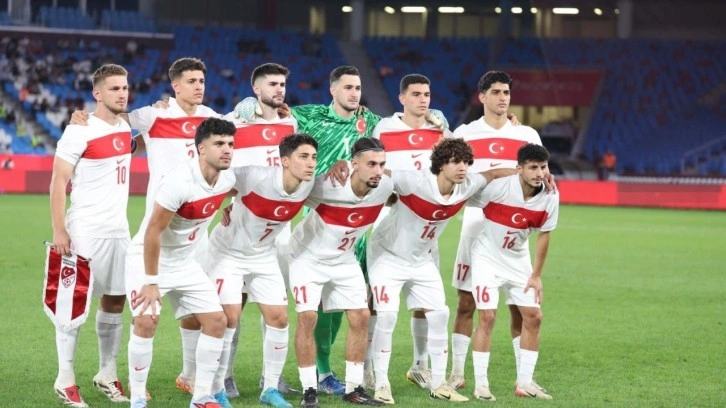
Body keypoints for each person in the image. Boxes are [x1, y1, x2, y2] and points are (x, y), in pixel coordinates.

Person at [368, 137, 518, 404]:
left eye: (466, 162)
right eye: (456, 162)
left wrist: (525, 173)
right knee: (387, 316)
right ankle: (381, 384)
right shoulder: (413, 181)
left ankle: (439, 384)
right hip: (387, 256)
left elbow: (494, 173)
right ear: (440, 165)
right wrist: (345, 167)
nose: (463, 167)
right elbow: (378, 172)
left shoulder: (467, 184)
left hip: (421, 259)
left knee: (439, 315)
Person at [125, 117, 236, 408]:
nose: (227, 149)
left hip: (185, 263)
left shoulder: (228, 178)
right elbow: (153, 231)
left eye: (230, 144)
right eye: (219, 143)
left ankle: (201, 397)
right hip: (149, 260)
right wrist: (151, 282)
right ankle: (137, 397)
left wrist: (232, 206)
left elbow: (241, 192)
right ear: (201, 148)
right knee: (146, 320)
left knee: (217, 321)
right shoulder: (179, 181)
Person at [448, 71, 547, 392]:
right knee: (467, 303)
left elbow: (540, 174)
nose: (503, 97)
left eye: (506, 92)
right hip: (476, 222)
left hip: (514, 229)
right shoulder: (465, 133)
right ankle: (457, 373)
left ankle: (525, 379)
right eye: (496, 92)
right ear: (482, 97)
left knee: (520, 308)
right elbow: (452, 172)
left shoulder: (526, 134)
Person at [288, 66, 381, 395]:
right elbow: (272, 117)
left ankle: (330, 371)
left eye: (358, 87)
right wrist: (249, 107)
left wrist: (435, 118)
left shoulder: (370, 121)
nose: (354, 93)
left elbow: (402, 127)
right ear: (333, 90)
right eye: (347, 87)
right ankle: (321, 371)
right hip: (318, 213)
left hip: (353, 227)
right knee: (313, 308)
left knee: (345, 305)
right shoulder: (309, 116)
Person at [207, 133, 318, 408]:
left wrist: (341, 166)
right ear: (285, 161)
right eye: (304, 157)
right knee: (229, 319)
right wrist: (222, 204)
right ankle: (216, 389)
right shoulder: (254, 176)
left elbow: (349, 186)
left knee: (279, 318)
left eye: (314, 158)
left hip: (263, 255)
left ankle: (269, 388)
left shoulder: (311, 185)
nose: (311, 163)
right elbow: (213, 180)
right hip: (228, 253)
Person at [49, 64, 133, 407]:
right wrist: (60, 229)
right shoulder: (78, 131)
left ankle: (107, 374)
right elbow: (58, 181)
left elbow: (137, 145)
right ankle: (65, 379)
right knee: (73, 304)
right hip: (85, 230)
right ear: (97, 93)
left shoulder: (126, 127)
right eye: (114, 88)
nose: (122, 93)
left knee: (115, 300)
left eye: (125, 87)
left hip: (119, 230)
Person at [222, 62, 300, 399]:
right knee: (233, 308)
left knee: (275, 309)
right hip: (243, 226)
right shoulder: (234, 121)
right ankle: (225, 376)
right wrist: (224, 199)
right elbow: (216, 160)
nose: (279, 89)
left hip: (280, 231)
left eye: (282, 84)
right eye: (272, 84)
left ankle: (272, 379)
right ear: (255, 89)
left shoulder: (290, 123)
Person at [368, 73, 451, 390]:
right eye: (416, 94)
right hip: (390, 215)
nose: (423, 99)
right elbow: (373, 164)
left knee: (424, 298)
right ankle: (370, 368)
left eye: (427, 94)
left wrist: (445, 135)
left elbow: (458, 162)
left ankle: (420, 365)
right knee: (376, 298)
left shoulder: (439, 130)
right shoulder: (385, 128)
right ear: (402, 98)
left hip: (425, 225)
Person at [466, 144, 558, 401]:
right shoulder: (497, 188)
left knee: (534, 316)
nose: (539, 173)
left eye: (543, 167)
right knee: (487, 317)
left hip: (518, 260)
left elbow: (544, 235)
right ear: (519, 168)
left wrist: (536, 275)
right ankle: (481, 385)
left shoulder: (551, 195)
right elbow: (464, 191)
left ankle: (525, 383)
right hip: (486, 258)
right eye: (533, 167)